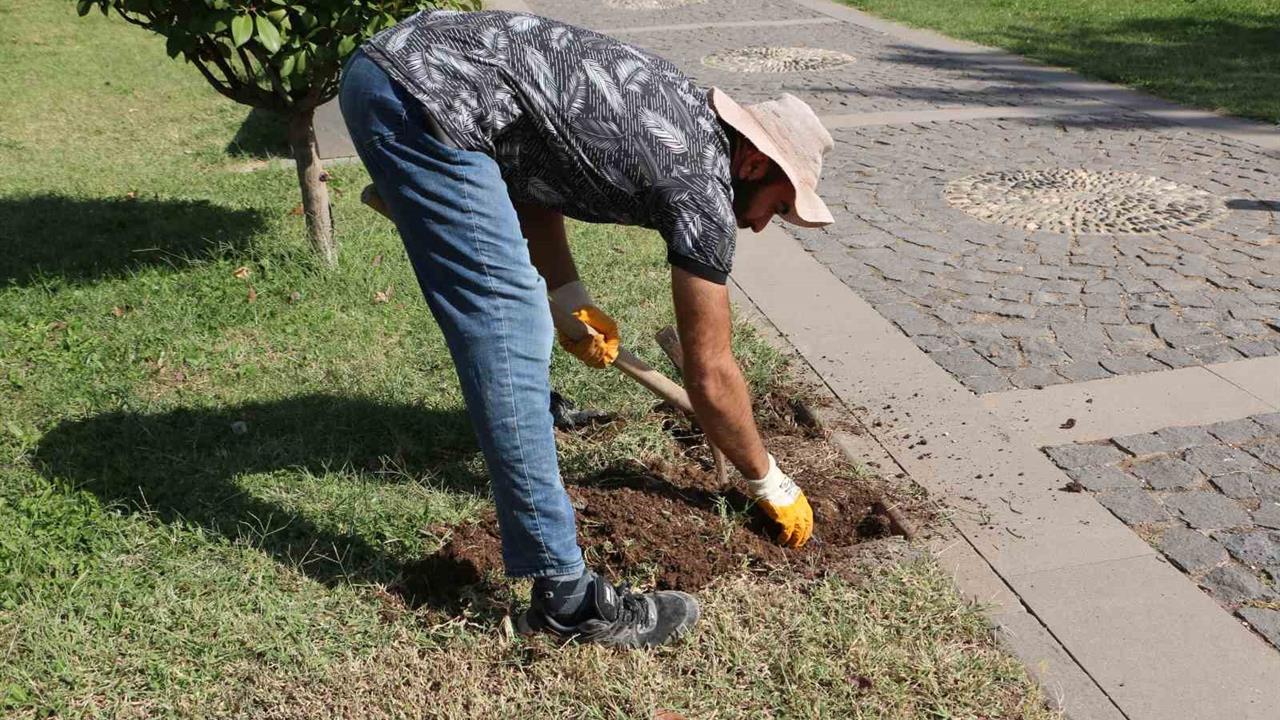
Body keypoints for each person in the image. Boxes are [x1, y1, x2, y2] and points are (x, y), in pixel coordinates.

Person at [339, 8, 835, 649]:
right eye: (781, 204)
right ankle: (565, 598)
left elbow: (535, 179)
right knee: (509, 327)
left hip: (402, 70)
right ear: (753, 165)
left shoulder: (674, 110)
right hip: (428, 96)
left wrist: (568, 297)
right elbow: (710, 369)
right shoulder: (701, 185)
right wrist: (769, 479)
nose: (767, 223)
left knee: (521, 302)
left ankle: (533, 414)